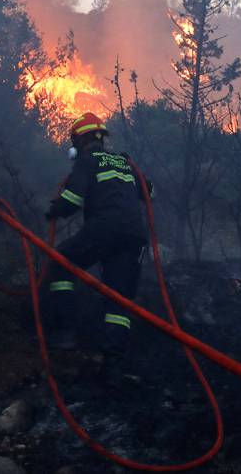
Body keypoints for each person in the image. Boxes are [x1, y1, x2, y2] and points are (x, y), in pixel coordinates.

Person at [44, 112, 151, 383]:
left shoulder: (86, 160)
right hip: (134, 235)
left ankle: (64, 332)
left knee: (60, 265)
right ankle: (112, 364)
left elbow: (72, 198)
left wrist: (55, 211)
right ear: (102, 138)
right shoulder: (126, 163)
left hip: (104, 228)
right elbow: (148, 192)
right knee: (119, 298)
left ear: (79, 140)